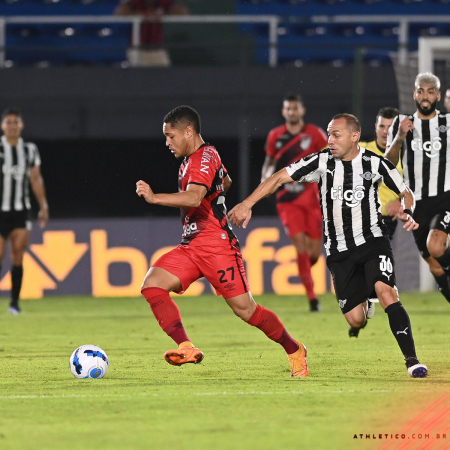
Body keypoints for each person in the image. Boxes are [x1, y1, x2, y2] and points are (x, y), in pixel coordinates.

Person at [229, 113, 428, 378]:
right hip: (338, 251)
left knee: (387, 292)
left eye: (336, 134)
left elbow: (406, 193)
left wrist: (407, 211)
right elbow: (279, 177)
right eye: (329, 134)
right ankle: (366, 293)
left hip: (372, 241)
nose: (330, 140)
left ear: (354, 136)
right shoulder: (321, 162)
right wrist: (247, 203)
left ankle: (412, 361)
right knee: (356, 320)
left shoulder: (375, 163)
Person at [135, 105, 309, 378]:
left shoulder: (203, 157)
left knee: (247, 311)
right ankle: (186, 346)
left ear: (188, 131)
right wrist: (217, 194)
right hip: (191, 244)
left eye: (171, 136)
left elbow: (193, 198)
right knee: (152, 285)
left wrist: (155, 198)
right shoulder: (195, 159)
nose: (167, 142)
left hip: (217, 246)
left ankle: (295, 349)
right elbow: (226, 181)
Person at [386, 72, 450, 305]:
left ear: (437, 95)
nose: (425, 96)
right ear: (414, 93)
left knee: (436, 245)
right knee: (434, 265)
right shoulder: (400, 123)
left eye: (430, 91)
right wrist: (401, 135)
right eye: (420, 91)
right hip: (417, 202)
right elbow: (390, 162)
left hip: (445, 196)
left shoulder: (447, 123)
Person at [262, 94, 328, 312]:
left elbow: (329, 158)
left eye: (295, 108)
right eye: (288, 109)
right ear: (283, 112)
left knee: (314, 255)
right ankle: (312, 298)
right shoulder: (275, 136)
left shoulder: (314, 134)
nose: (291, 112)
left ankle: (303, 273)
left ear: (302, 111)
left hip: (311, 199)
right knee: (300, 245)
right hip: (287, 200)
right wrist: (265, 182)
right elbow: (270, 162)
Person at [0, 108, 49, 314]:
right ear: (3, 125)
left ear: (21, 125)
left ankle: (14, 303)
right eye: (8, 121)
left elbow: (35, 179)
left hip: (21, 210)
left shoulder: (29, 150)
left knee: (18, 254)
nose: (12, 125)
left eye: (16, 122)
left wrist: (43, 205)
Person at [360, 107, 401, 241]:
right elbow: (325, 155)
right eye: (382, 126)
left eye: (390, 126)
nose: (385, 131)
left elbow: (419, 185)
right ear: (376, 127)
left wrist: (400, 201)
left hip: (384, 220)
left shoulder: (406, 157)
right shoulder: (359, 150)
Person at [114, 0, 188, 67]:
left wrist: (164, 14)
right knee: (137, 76)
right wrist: (139, 15)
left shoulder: (163, 3)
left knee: (164, 75)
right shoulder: (135, 3)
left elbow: (183, 12)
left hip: (157, 49)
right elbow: (119, 13)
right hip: (138, 48)